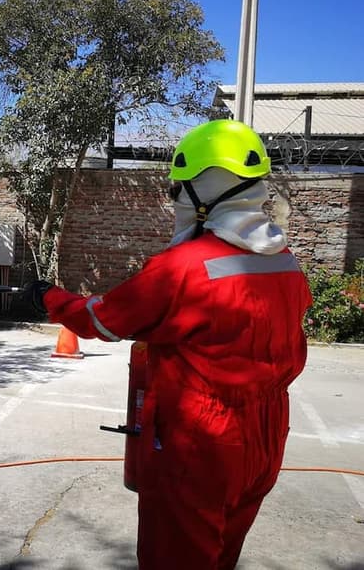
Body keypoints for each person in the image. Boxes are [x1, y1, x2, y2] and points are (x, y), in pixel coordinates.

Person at [23, 119, 312, 570]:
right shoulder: (285, 264)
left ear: (203, 191)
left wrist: (49, 297)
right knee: (221, 553)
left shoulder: (183, 267)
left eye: (178, 189)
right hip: (268, 432)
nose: (174, 199)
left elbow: (103, 320)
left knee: (175, 557)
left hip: (201, 442)